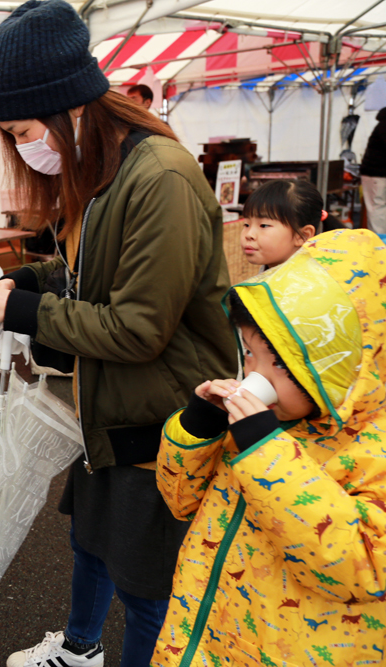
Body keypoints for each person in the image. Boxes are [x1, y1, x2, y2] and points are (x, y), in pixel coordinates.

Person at [0, 2, 238, 666]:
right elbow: (81, 273)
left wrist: (16, 309)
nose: (22, 148)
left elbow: (138, 328)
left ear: (68, 108)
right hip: (108, 405)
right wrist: (14, 281)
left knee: (145, 591)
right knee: (90, 540)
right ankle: (79, 648)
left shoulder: (158, 177)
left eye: (22, 130)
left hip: (160, 416)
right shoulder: (101, 174)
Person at [153, 228, 386, 666]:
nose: (254, 374)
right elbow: (180, 501)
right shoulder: (263, 423)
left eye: (279, 361)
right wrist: (197, 428)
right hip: (199, 638)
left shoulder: (373, 447)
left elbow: (361, 569)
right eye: (249, 353)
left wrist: (266, 451)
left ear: (343, 365)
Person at [240, 178, 335, 268]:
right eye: (246, 225)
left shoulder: (307, 283)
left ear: (302, 235)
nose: (249, 235)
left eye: (264, 225)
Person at [361, 108, 386, 236]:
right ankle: (379, 242)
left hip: (379, 173)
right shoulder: (384, 125)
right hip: (376, 173)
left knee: (379, 208)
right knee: (377, 208)